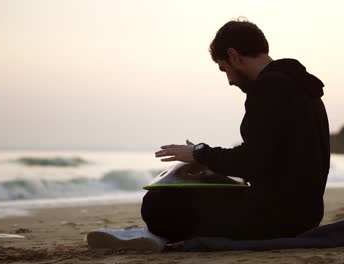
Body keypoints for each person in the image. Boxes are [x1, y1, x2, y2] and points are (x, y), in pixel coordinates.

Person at [88, 18, 330, 252]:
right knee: (182, 197)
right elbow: (270, 158)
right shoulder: (302, 85)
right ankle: (159, 233)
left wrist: (199, 153)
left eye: (224, 68)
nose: (229, 80)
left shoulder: (270, 88)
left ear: (234, 56)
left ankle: (158, 234)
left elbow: (252, 161)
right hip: (304, 212)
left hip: (278, 217)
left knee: (158, 203)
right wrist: (210, 165)